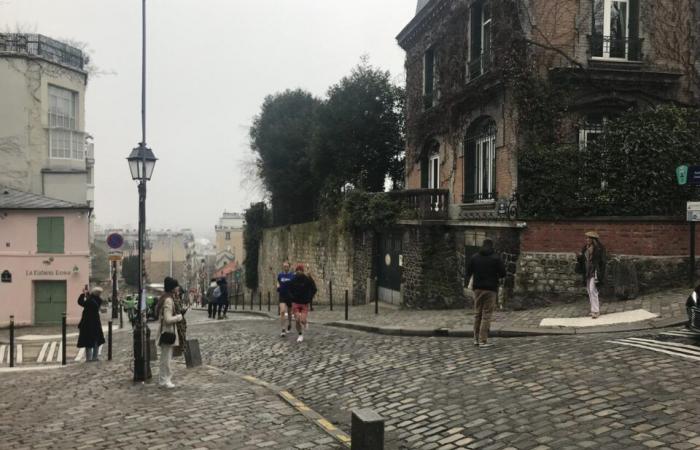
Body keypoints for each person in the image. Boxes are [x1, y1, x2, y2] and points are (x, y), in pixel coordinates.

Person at [466, 239, 506, 348]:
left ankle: (475, 339)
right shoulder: (496, 258)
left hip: (477, 288)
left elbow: (468, 271)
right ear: (491, 246)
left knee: (477, 313)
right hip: (491, 289)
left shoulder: (474, 257)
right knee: (486, 314)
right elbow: (503, 273)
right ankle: (483, 340)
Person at [156, 277, 184, 388]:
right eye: (176, 286)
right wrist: (179, 317)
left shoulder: (166, 298)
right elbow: (168, 319)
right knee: (166, 358)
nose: (178, 289)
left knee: (165, 357)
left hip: (166, 331)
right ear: (172, 288)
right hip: (168, 332)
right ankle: (164, 380)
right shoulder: (168, 300)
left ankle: (164, 379)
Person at [578, 231, 606, 319]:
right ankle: (593, 310)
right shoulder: (585, 248)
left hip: (595, 272)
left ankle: (596, 311)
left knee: (593, 290)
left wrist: (600, 271)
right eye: (586, 238)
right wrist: (579, 257)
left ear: (593, 239)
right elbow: (583, 260)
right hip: (587, 271)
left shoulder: (599, 249)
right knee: (589, 291)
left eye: (588, 238)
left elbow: (602, 262)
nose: (587, 240)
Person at [288, 264, 317, 343]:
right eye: (297, 270)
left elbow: (314, 288)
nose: (299, 272)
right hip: (296, 302)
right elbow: (289, 289)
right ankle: (300, 334)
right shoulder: (293, 280)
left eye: (300, 270)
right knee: (297, 319)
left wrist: (309, 298)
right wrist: (292, 298)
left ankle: (305, 322)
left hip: (304, 303)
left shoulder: (306, 279)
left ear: (302, 271)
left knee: (302, 320)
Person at [77, 286, 106, 362]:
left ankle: (89, 358)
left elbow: (80, 302)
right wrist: (88, 294)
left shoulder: (90, 301)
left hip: (88, 323)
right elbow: (91, 299)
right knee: (96, 340)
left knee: (88, 341)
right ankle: (95, 357)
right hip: (96, 322)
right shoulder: (98, 300)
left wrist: (83, 294)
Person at [277, 261, 295, 336]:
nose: (285, 267)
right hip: (282, 295)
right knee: (282, 311)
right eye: (284, 266)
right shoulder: (280, 275)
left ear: (289, 267)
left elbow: (295, 284)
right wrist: (277, 286)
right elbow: (277, 282)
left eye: (287, 266)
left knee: (290, 313)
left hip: (290, 296)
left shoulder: (292, 275)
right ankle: (283, 329)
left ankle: (290, 324)